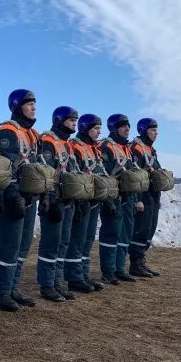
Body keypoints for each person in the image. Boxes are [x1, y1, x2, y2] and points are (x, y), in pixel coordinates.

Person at [0, 89, 42, 311]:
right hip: (13, 197)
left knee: (23, 246)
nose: (33, 107)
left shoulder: (33, 134)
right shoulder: (7, 131)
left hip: (29, 196)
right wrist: (11, 194)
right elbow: (6, 164)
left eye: (34, 104)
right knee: (9, 246)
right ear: (17, 106)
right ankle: (1, 292)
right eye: (29, 104)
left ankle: (12, 286)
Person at [38, 107, 80, 301]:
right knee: (51, 243)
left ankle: (57, 282)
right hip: (54, 201)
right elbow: (46, 171)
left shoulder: (67, 144)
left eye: (76, 121)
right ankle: (47, 284)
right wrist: (50, 198)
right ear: (60, 120)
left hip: (68, 200)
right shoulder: (48, 141)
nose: (74, 124)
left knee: (63, 243)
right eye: (71, 120)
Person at [68, 114, 106, 292]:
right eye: (96, 128)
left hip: (93, 200)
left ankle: (84, 274)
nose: (99, 132)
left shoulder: (95, 149)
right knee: (78, 239)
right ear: (85, 128)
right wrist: (78, 200)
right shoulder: (75, 146)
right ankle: (74, 277)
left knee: (89, 238)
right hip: (81, 200)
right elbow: (74, 173)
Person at [98, 114, 138, 284]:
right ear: (114, 128)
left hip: (127, 196)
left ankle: (119, 268)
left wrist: (135, 198)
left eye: (128, 126)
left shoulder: (126, 148)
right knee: (111, 233)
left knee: (125, 233)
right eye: (123, 126)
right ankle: (108, 271)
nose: (127, 128)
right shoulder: (106, 146)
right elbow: (104, 173)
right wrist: (107, 199)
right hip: (113, 196)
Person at [130, 118, 164, 277]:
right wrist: (138, 199)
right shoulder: (136, 148)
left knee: (150, 229)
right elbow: (136, 176)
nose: (156, 133)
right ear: (144, 131)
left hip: (153, 195)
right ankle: (135, 263)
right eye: (152, 130)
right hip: (143, 195)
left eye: (156, 130)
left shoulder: (151, 149)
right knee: (141, 230)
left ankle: (141, 261)